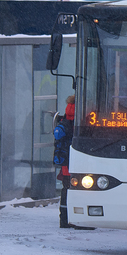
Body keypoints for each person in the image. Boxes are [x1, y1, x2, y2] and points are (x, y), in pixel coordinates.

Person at [57, 95, 75, 228]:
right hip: (78, 159)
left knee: (66, 189)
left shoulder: (66, 115)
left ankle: (64, 218)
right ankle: (77, 219)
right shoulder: (82, 113)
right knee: (80, 190)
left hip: (65, 159)